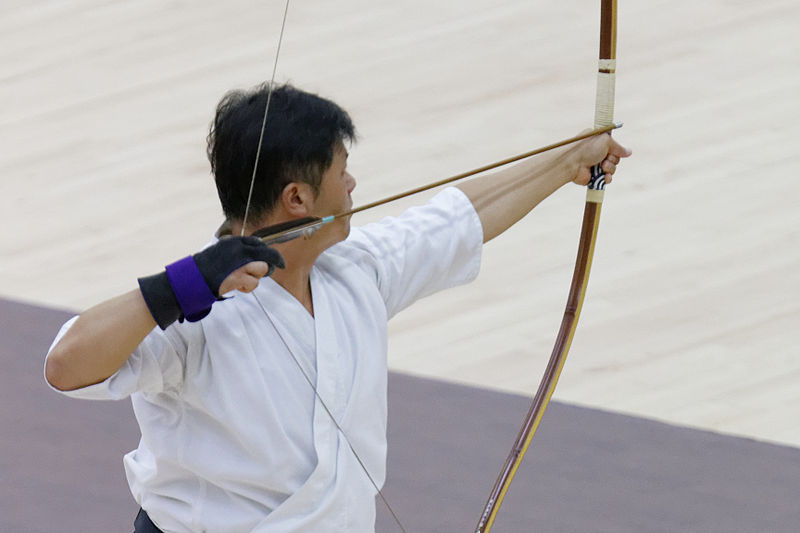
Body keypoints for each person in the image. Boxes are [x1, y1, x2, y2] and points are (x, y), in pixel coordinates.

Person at [44, 82, 631, 533]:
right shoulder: (198, 309)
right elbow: (66, 365)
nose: (353, 187)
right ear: (297, 197)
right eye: (341, 173)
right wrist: (180, 287)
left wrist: (564, 163)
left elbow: (457, 219)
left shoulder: (356, 270)